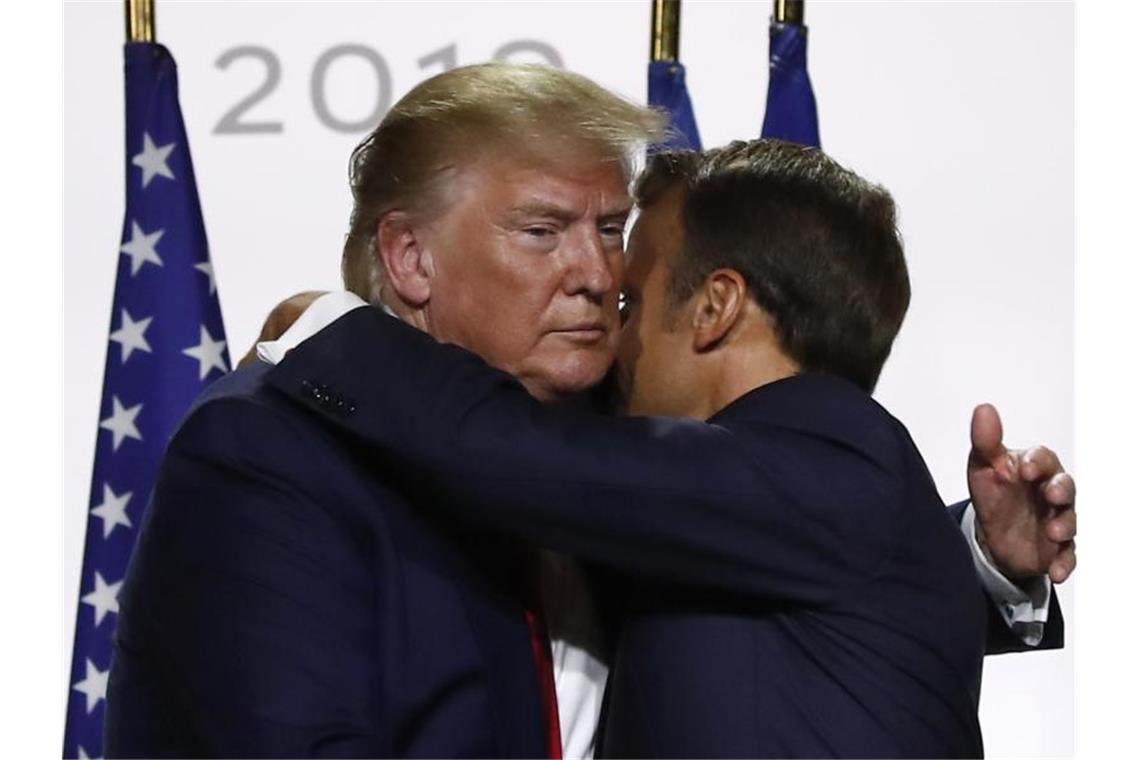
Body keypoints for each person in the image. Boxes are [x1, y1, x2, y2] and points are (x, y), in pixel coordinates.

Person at [106, 64, 1074, 758]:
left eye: (614, 233)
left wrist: (313, 322)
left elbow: (783, 554)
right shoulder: (268, 453)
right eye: (541, 231)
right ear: (407, 260)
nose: (599, 275)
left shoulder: (608, 457)